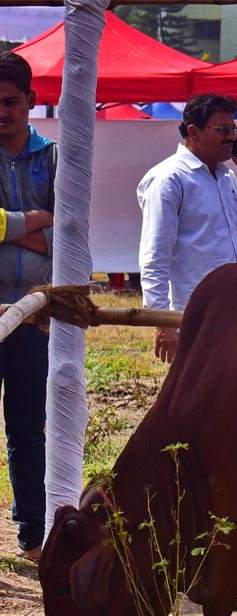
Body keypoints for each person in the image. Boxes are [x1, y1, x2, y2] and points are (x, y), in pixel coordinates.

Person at [138, 93, 237, 364]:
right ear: (193, 132)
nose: (232, 138)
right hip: (195, 313)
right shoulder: (169, 179)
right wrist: (162, 322)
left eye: (234, 129)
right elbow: (154, 256)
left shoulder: (227, 179)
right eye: (223, 130)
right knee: (199, 400)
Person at [0, 51, 55, 561]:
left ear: (31, 103)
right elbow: (50, 225)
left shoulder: (55, 157)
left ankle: (33, 537)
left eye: (10, 102)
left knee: (26, 429)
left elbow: (70, 233)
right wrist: (35, 224)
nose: (2, 112)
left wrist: (6, 227)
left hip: (34, 315)